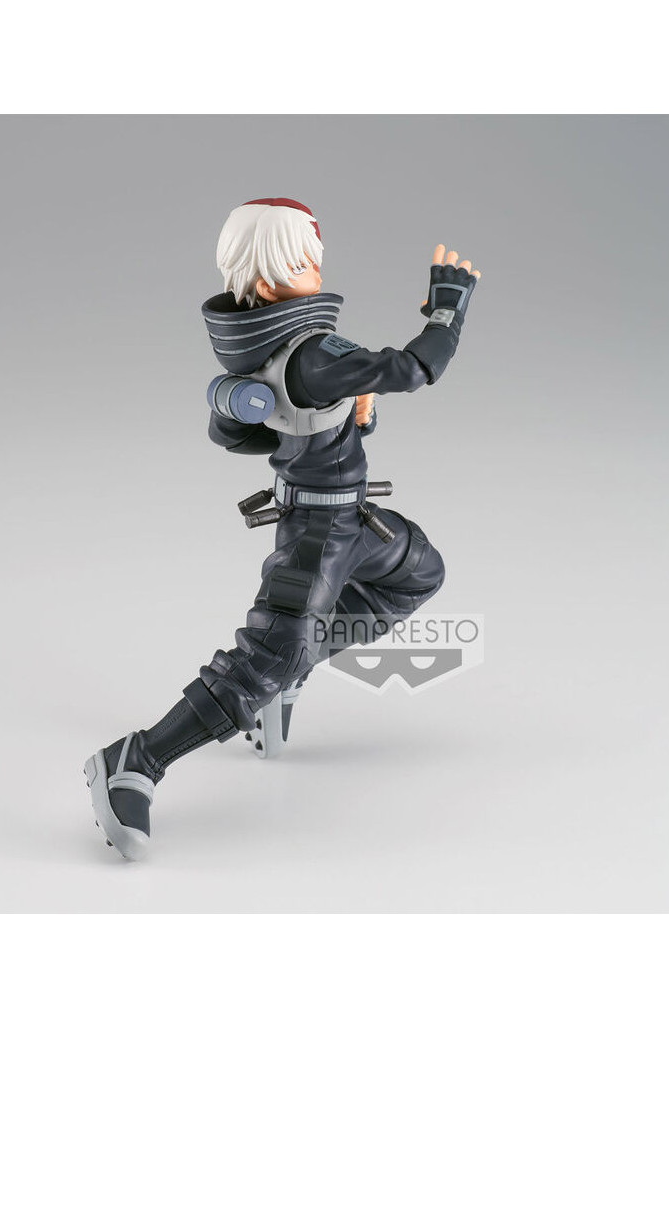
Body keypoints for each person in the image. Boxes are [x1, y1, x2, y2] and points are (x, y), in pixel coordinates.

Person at [84, 197, 480, 858]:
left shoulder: (266, 350)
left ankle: (289, 672)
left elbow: (238, 434)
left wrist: (347, 419)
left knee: (418, 574)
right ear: (267, 282)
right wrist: (447, 311)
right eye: (302, 263)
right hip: (318, 536)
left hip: (355, 522)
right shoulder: (314, 351)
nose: (316, 272)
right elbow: (415, 368)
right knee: (266, 655)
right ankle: (137, 759)